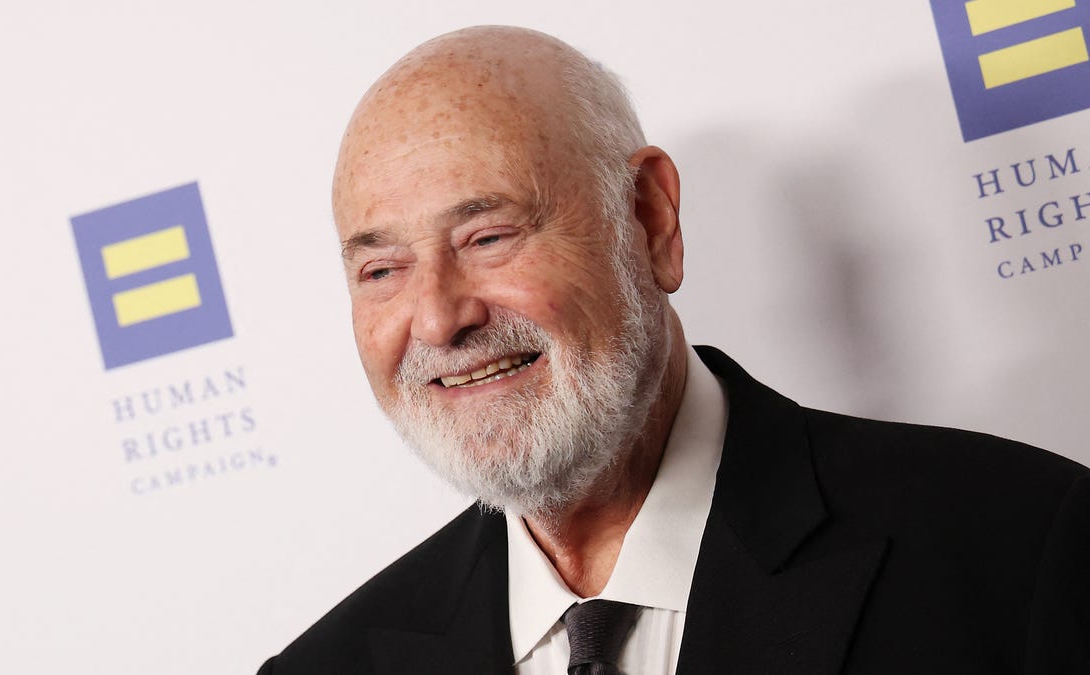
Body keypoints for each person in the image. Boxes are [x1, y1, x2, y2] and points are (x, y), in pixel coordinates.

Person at [259, 26, 1090, 674]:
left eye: (488, 235)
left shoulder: (1022, 553)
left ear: (651, 220)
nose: (438, 318)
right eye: (381, 268)